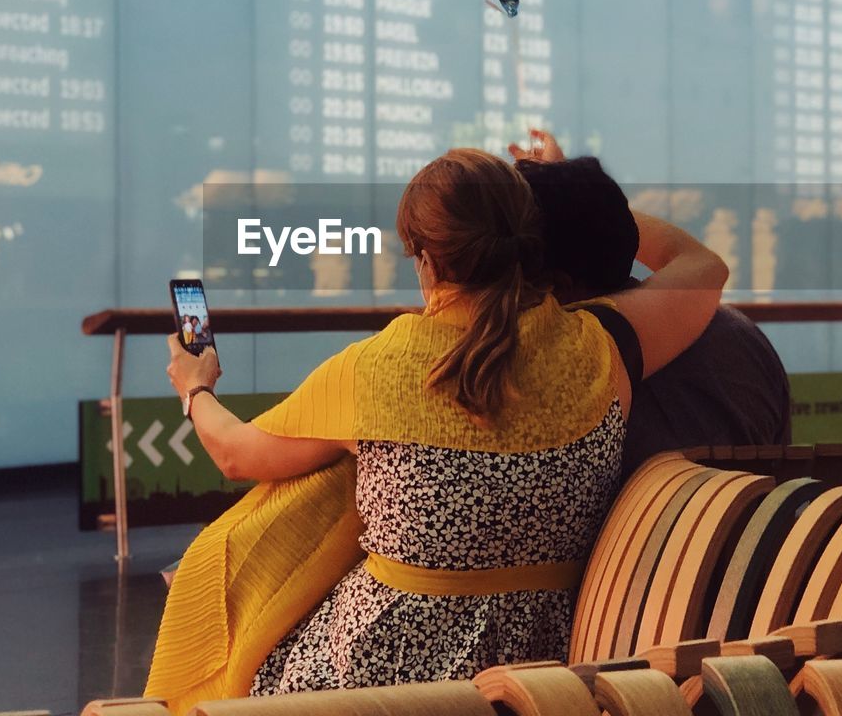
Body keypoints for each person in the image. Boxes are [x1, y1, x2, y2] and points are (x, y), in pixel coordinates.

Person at [148, 149, 727, 708]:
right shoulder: (603, 346)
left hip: (374, 684)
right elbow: (704, 265)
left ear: (425, 257)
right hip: (544, 679)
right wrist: (565, 191)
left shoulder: (377, 368)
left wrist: (196, 388)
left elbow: (235, 455)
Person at [511, 129, 790, 475]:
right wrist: (574, 191)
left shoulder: (553, 375)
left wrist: (564, 191)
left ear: (560, 286)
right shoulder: (741, 339)